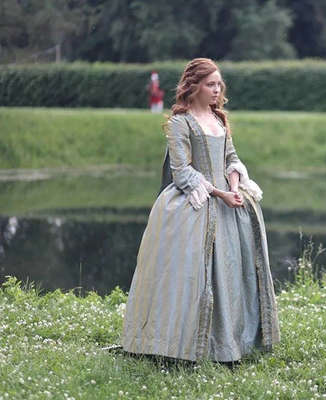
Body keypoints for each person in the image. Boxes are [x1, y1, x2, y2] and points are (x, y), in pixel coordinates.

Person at [122, 58, 280, 363]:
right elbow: (182, 171)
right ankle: (182, 344)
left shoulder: (219, 119)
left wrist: (234, 187)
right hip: (195, 203)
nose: (217, 90)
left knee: (232, 273)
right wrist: (219, 193)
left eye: (219, 84)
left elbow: (231, 158)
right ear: (193, 86)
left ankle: (231, 343)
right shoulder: (180, 123)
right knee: (194, 276)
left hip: (229, 205)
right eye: (210, 84)